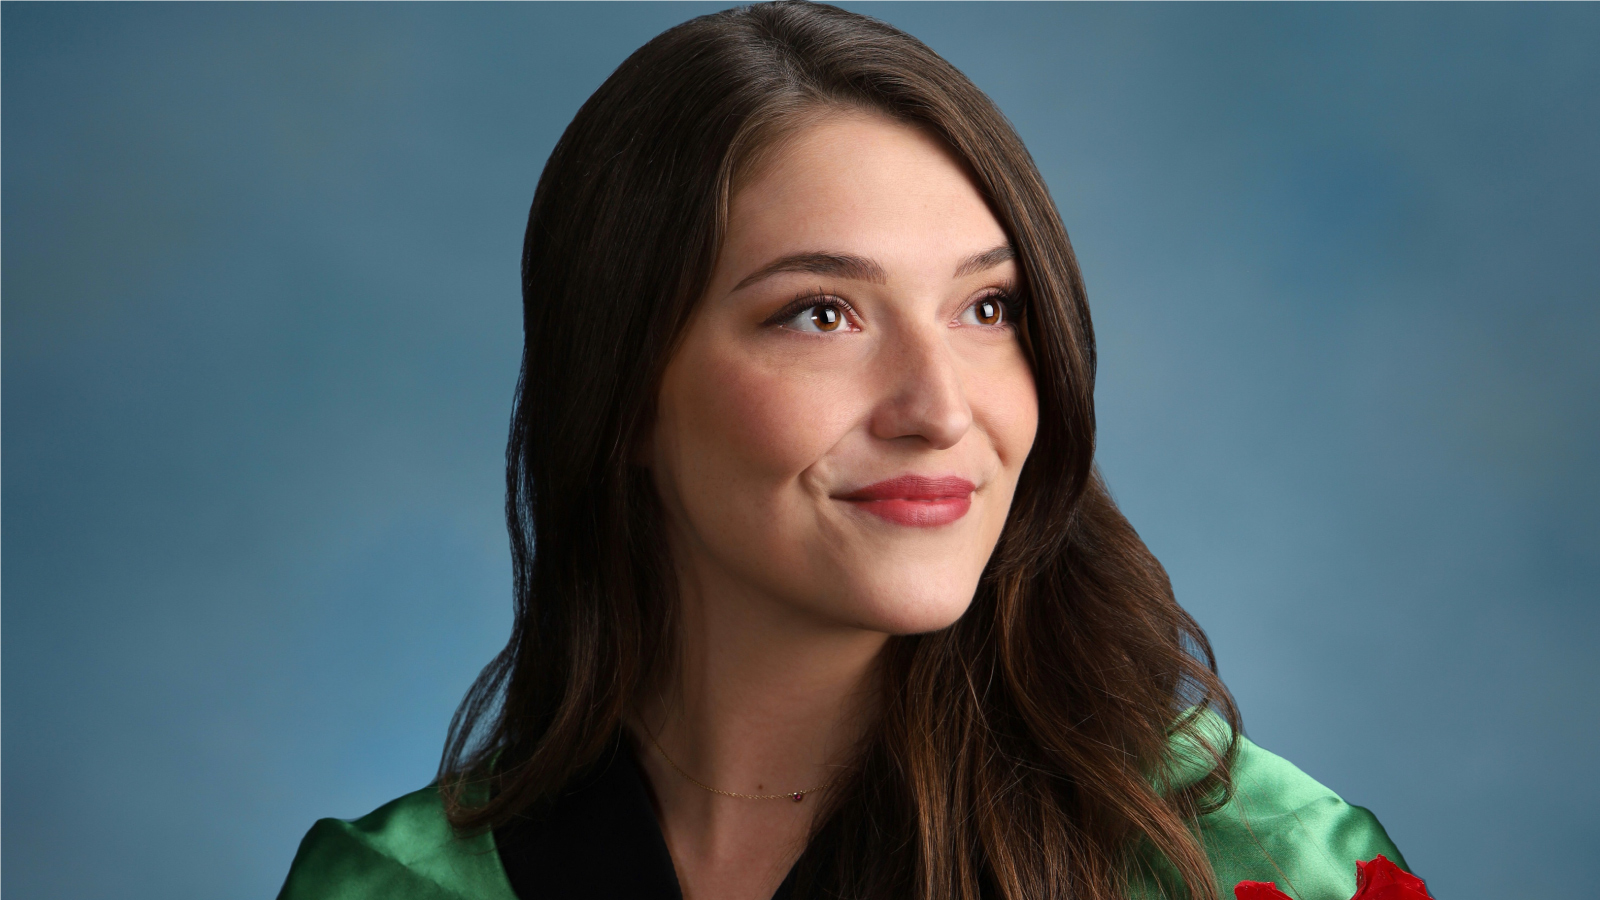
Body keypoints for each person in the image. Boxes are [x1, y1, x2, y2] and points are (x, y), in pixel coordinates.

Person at [278, 4, 1412, 899]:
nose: (938, 406)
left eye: (988, 310)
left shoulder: (1265, 870)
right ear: (620, 391)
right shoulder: (390, 888)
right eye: (822, 313)